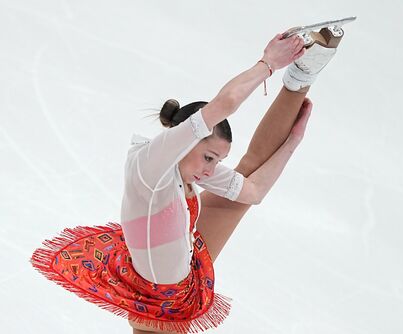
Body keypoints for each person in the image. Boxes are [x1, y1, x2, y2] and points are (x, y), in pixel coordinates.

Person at [31, 25, 345, 334]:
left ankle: (303, 74)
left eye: (216, 161)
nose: (210, 171)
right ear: (186, 139)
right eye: (208, 157)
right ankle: (300, 75)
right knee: (241, 180)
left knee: (248, 170)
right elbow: (222, 105)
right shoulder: (150, 164)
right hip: (157, 305)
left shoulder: (188, 170)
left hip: (180, 282)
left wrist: (292, 144)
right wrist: (267, 64)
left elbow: (253, 190)